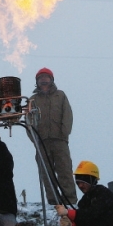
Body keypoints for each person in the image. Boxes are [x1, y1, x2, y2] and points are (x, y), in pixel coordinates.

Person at [28, 67, 77, 205]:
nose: (44, 79)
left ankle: (70, 201)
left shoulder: (60, 96)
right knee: (46, 173)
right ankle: (53, 202)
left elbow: (68, 115)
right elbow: (28, 121)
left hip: (59, 141)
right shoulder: (32, 100)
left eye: (46, 77)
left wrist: (64, 133)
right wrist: (35, 139)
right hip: (41, 142)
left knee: (65, 170)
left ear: (51, 79)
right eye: (41, 77)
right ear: (37, 81)